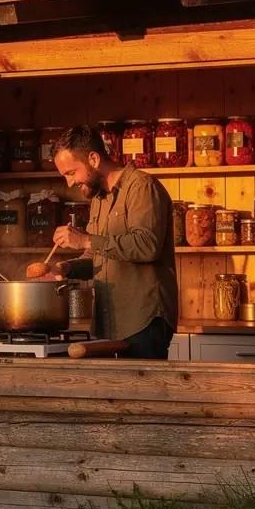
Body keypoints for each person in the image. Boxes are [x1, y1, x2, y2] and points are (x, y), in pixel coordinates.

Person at [51, 125, 177, 359]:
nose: (70, 183)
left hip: (143, 321)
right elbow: (98, 255)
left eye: (71, 173)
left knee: (143, 395)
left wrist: (86, 240)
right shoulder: (98, 198)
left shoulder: (142, 187)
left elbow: (147, 246)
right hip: (109, 323)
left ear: (94, 159)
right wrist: (67, 268)